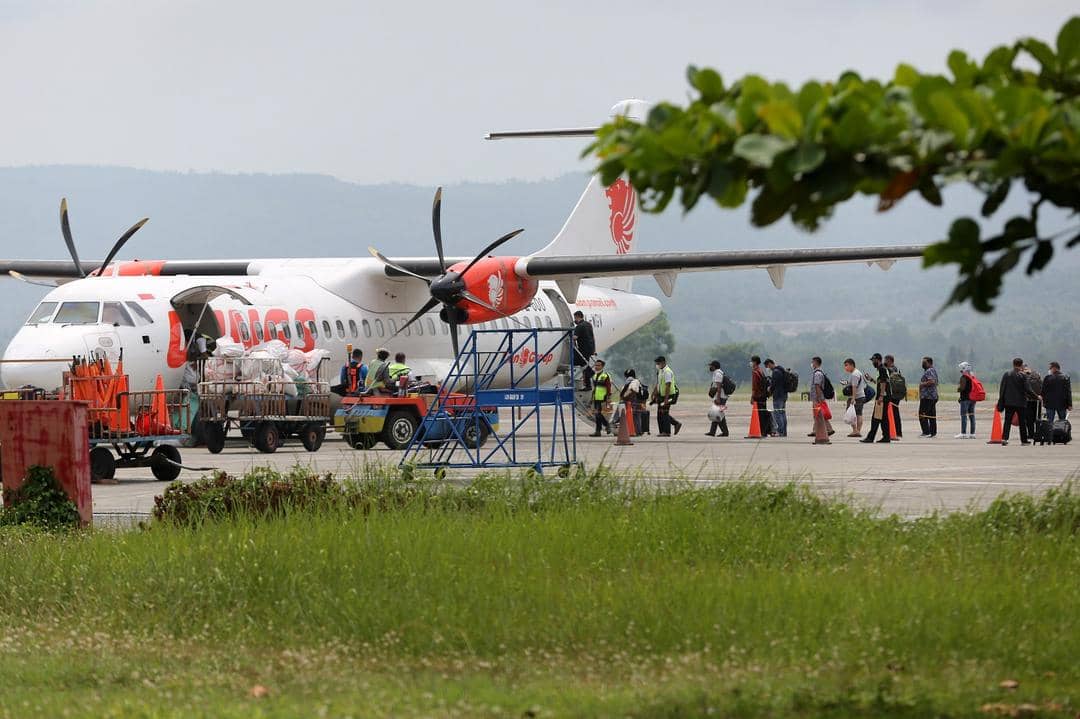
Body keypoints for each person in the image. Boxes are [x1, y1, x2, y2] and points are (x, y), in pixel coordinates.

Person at [997, 357, 1030, 446]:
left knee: (1007, 421)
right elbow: (1028, 389)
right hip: (1021, 403)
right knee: (1022, 422)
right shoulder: (1023, 376)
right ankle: (1024, 440)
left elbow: (1002, 388)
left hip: (1009, 402)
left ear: (1013, 364)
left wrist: (1001, 400)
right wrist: (1037, 396)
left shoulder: (1007, 374)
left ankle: (1004, 438)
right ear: (1021, 364)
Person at [861, 353, 892, 443]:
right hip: (885, 396)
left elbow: (883, 383)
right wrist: (871, 379)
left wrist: (881, 396)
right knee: (883, 418)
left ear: (877, 360)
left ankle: (870, 437)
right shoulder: (881, 369)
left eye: (873, 360)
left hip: (883, 397)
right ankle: (886, 437)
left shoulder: (882, 369)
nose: (872, 362)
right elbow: (879, 382)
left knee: (876, 417)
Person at [651, 356, 682, 436]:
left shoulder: (667, 372)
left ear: (663, 362)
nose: (657, 365)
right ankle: (663, 430)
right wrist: (653, 393)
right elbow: (658, 383)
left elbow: (668, 385)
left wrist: (666, 399)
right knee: (660, 413)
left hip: (669, 395)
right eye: (657, 363)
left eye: (658, 363)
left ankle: (667, 432)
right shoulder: (661, 371)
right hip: (662, 395)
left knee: (664, 412)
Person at [808, 356, 833, 443]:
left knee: (819, 415)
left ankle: (825, 430)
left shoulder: (817, 373)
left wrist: (818, 398)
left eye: (812, 362)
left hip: (817, 398)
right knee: (819, 415)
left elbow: (817, 386)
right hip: (817, 397)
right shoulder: (818, 372)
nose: (812, 364)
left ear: (816, 362)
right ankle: (822, 430)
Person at [1042, 361, 1072, 427]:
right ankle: (1062, 435)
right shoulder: (1066, 377)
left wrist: (1044, 402)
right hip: (1062, 403)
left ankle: (1050, 435)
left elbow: (1043, 391)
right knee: (1062, 421)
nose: (1049, 370)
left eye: (1050, 368)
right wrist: (1070, 404)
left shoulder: (1047, 378)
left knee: (1050, 421)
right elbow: (1068, 392)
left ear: (1054, 368)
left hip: (1049, 403)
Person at [572, 311, 596, 391]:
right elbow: (591, 336)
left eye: (575, 318)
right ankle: (588, 384)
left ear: (578, 317)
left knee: (578, 363)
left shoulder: (579, 326)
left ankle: (591, 374)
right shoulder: (588, 324)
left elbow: (575, 337)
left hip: (583, 349)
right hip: (590, 348)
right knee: (584, 365)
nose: (575, 320)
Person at [589, 359, 613, 436]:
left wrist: (608, 397)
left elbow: (608, 387)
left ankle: (606, 426)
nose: (596, 367)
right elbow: (594, 388)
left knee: (598, 414)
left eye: (598, 365)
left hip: (603, 397)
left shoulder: (605, 375)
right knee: (597, 414)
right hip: (596, 397)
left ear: (602, 366)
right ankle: (598, 431)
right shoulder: (594, 376)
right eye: (596, 365)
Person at [764, 358, 788, 437]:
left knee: (778, 414)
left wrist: (769, 388)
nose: (768, 368)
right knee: (782, 413)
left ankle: (780, 431)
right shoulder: (781, 370)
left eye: (767, 366)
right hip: (784, 395)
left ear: (770, 364)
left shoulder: (775, 372)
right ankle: (784, 431)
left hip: (778, 395)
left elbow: (774, 384)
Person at [705, 360, 729, 437]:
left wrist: (718, 398)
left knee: (719, 414)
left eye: (711, 366)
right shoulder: (717, 373)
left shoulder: (718, 374)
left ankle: (725, 432)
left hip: (721, 397)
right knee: (716, 413)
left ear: (714, 366)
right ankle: (712, 431)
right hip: (721, 396)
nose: (710, 367)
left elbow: (718, 388)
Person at [843, 358, 866, 437]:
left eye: (846, 365)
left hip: (857, 397)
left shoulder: (854, 374)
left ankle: (855, 430)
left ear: (852, 365)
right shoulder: (857, 373)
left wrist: (853, 398)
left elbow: (854, 387)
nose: (845, 368)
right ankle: (857, 431)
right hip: (860, 396)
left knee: (852, 414)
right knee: (859, 414)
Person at [750, 355, 772, 437]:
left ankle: (762, 431)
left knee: (760, 414)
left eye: (751, 361)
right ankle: (765, 431)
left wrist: (752, 397)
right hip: (763, 396)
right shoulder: (761, 371)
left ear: (755, 362)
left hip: (758, 396)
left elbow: (754, 387)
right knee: (763, 413)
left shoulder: (755, 372)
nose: (751, 363)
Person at [917, 356, 939, 438]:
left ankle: (926, 432)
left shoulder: (929, 371)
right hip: (932, 396)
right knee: (931, 415)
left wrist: (922, 384)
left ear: (929, 363)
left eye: (924, 362)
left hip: (928, 397)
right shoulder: (932, 370)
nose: (923, 364)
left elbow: (932, 381)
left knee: (922, 414)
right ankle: (933, 432)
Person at [883, 354, 904, 439]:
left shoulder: (890, 369)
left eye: (886, 360)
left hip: (893, 395)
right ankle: (898, 431)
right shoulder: (897, 369)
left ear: (890, 360)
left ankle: (895, 432)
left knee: (893, 413)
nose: (884, 362)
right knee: (895, 413)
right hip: (897, 394)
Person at [956, 362, 978, 438]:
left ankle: (963, 433)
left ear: (964, 368)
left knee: (964, 416)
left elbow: (962, 388)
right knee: (972, 416)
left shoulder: (964, 377)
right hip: (973, 399)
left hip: (965, 399)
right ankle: (972, 434)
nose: (960, 370)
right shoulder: (972, 376)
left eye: (961, 368)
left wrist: (958, 388)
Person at [1022, 364, 1042, 441]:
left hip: (1028, 400)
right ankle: (1039, 433)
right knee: (1037, 418)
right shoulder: (1037, 374)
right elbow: (1041, 386)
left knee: (1029, 419)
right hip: (1038, 401)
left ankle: (1031, 434)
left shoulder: (1022, 376)